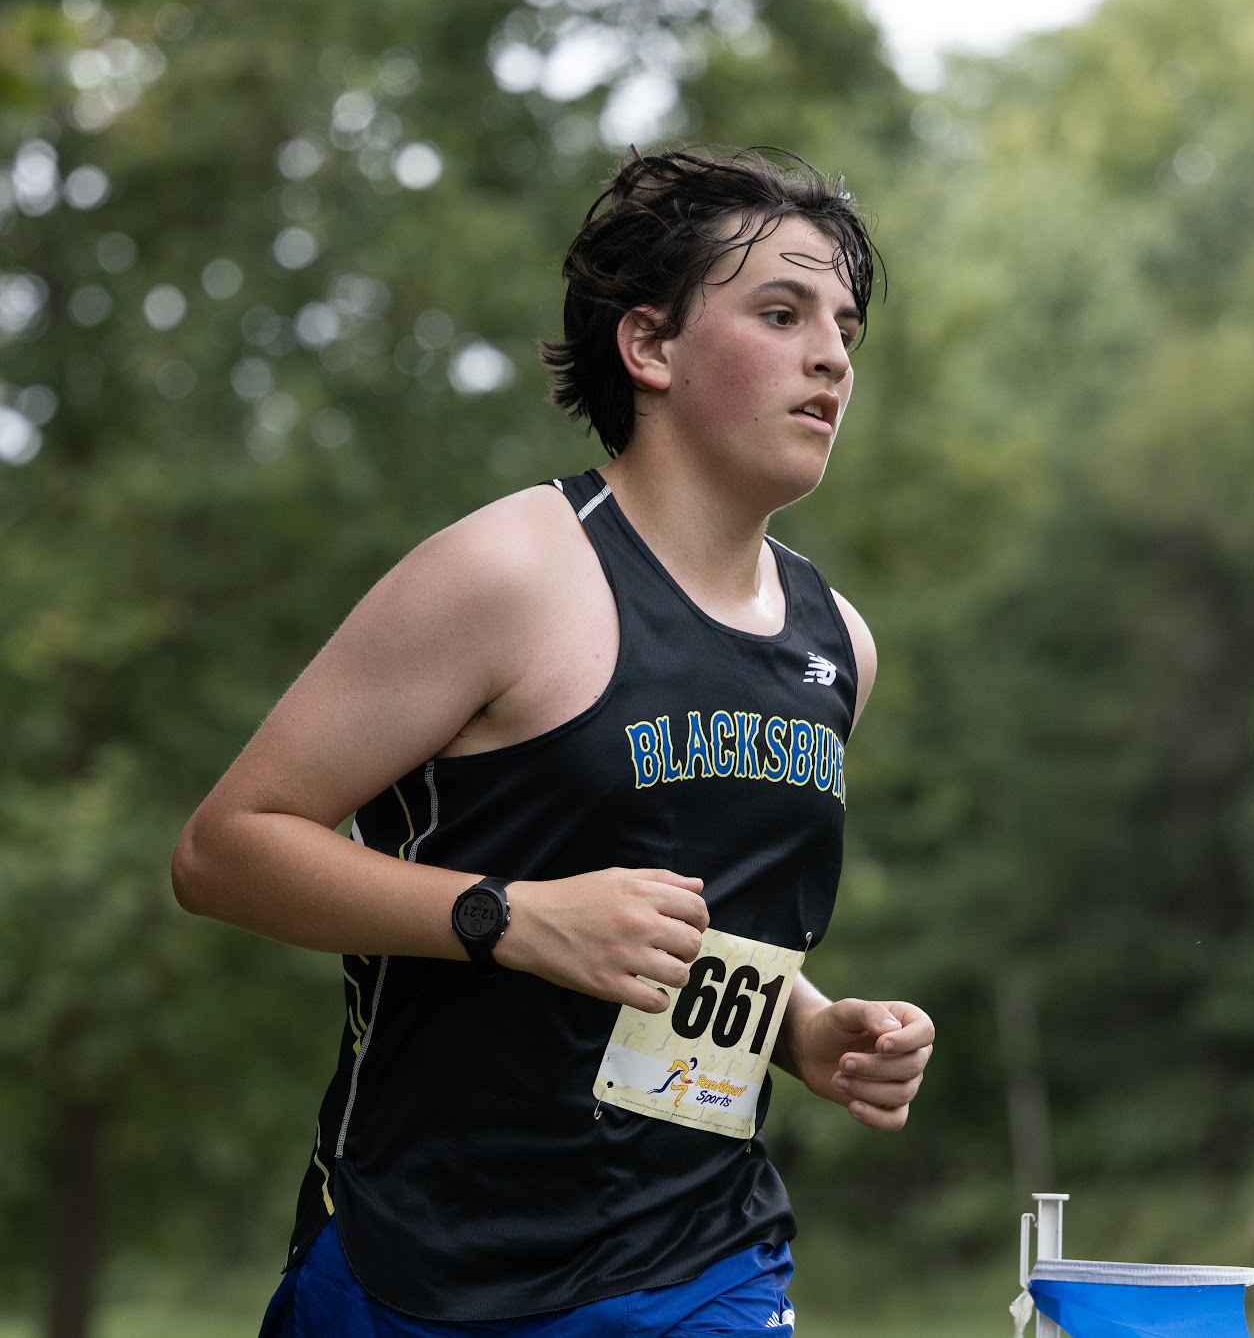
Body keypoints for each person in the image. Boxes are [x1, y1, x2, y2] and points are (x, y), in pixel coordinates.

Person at [172, 146, 935, 1337]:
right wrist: (510, 918)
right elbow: (224, 849)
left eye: (845, 325)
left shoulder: (838, 641)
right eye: (782, 313)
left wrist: (804, 1028)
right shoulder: (508, 571)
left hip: (705, 1263)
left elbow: (689, 926)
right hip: (417, 1266)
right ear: (651, 345)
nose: (832, 355)